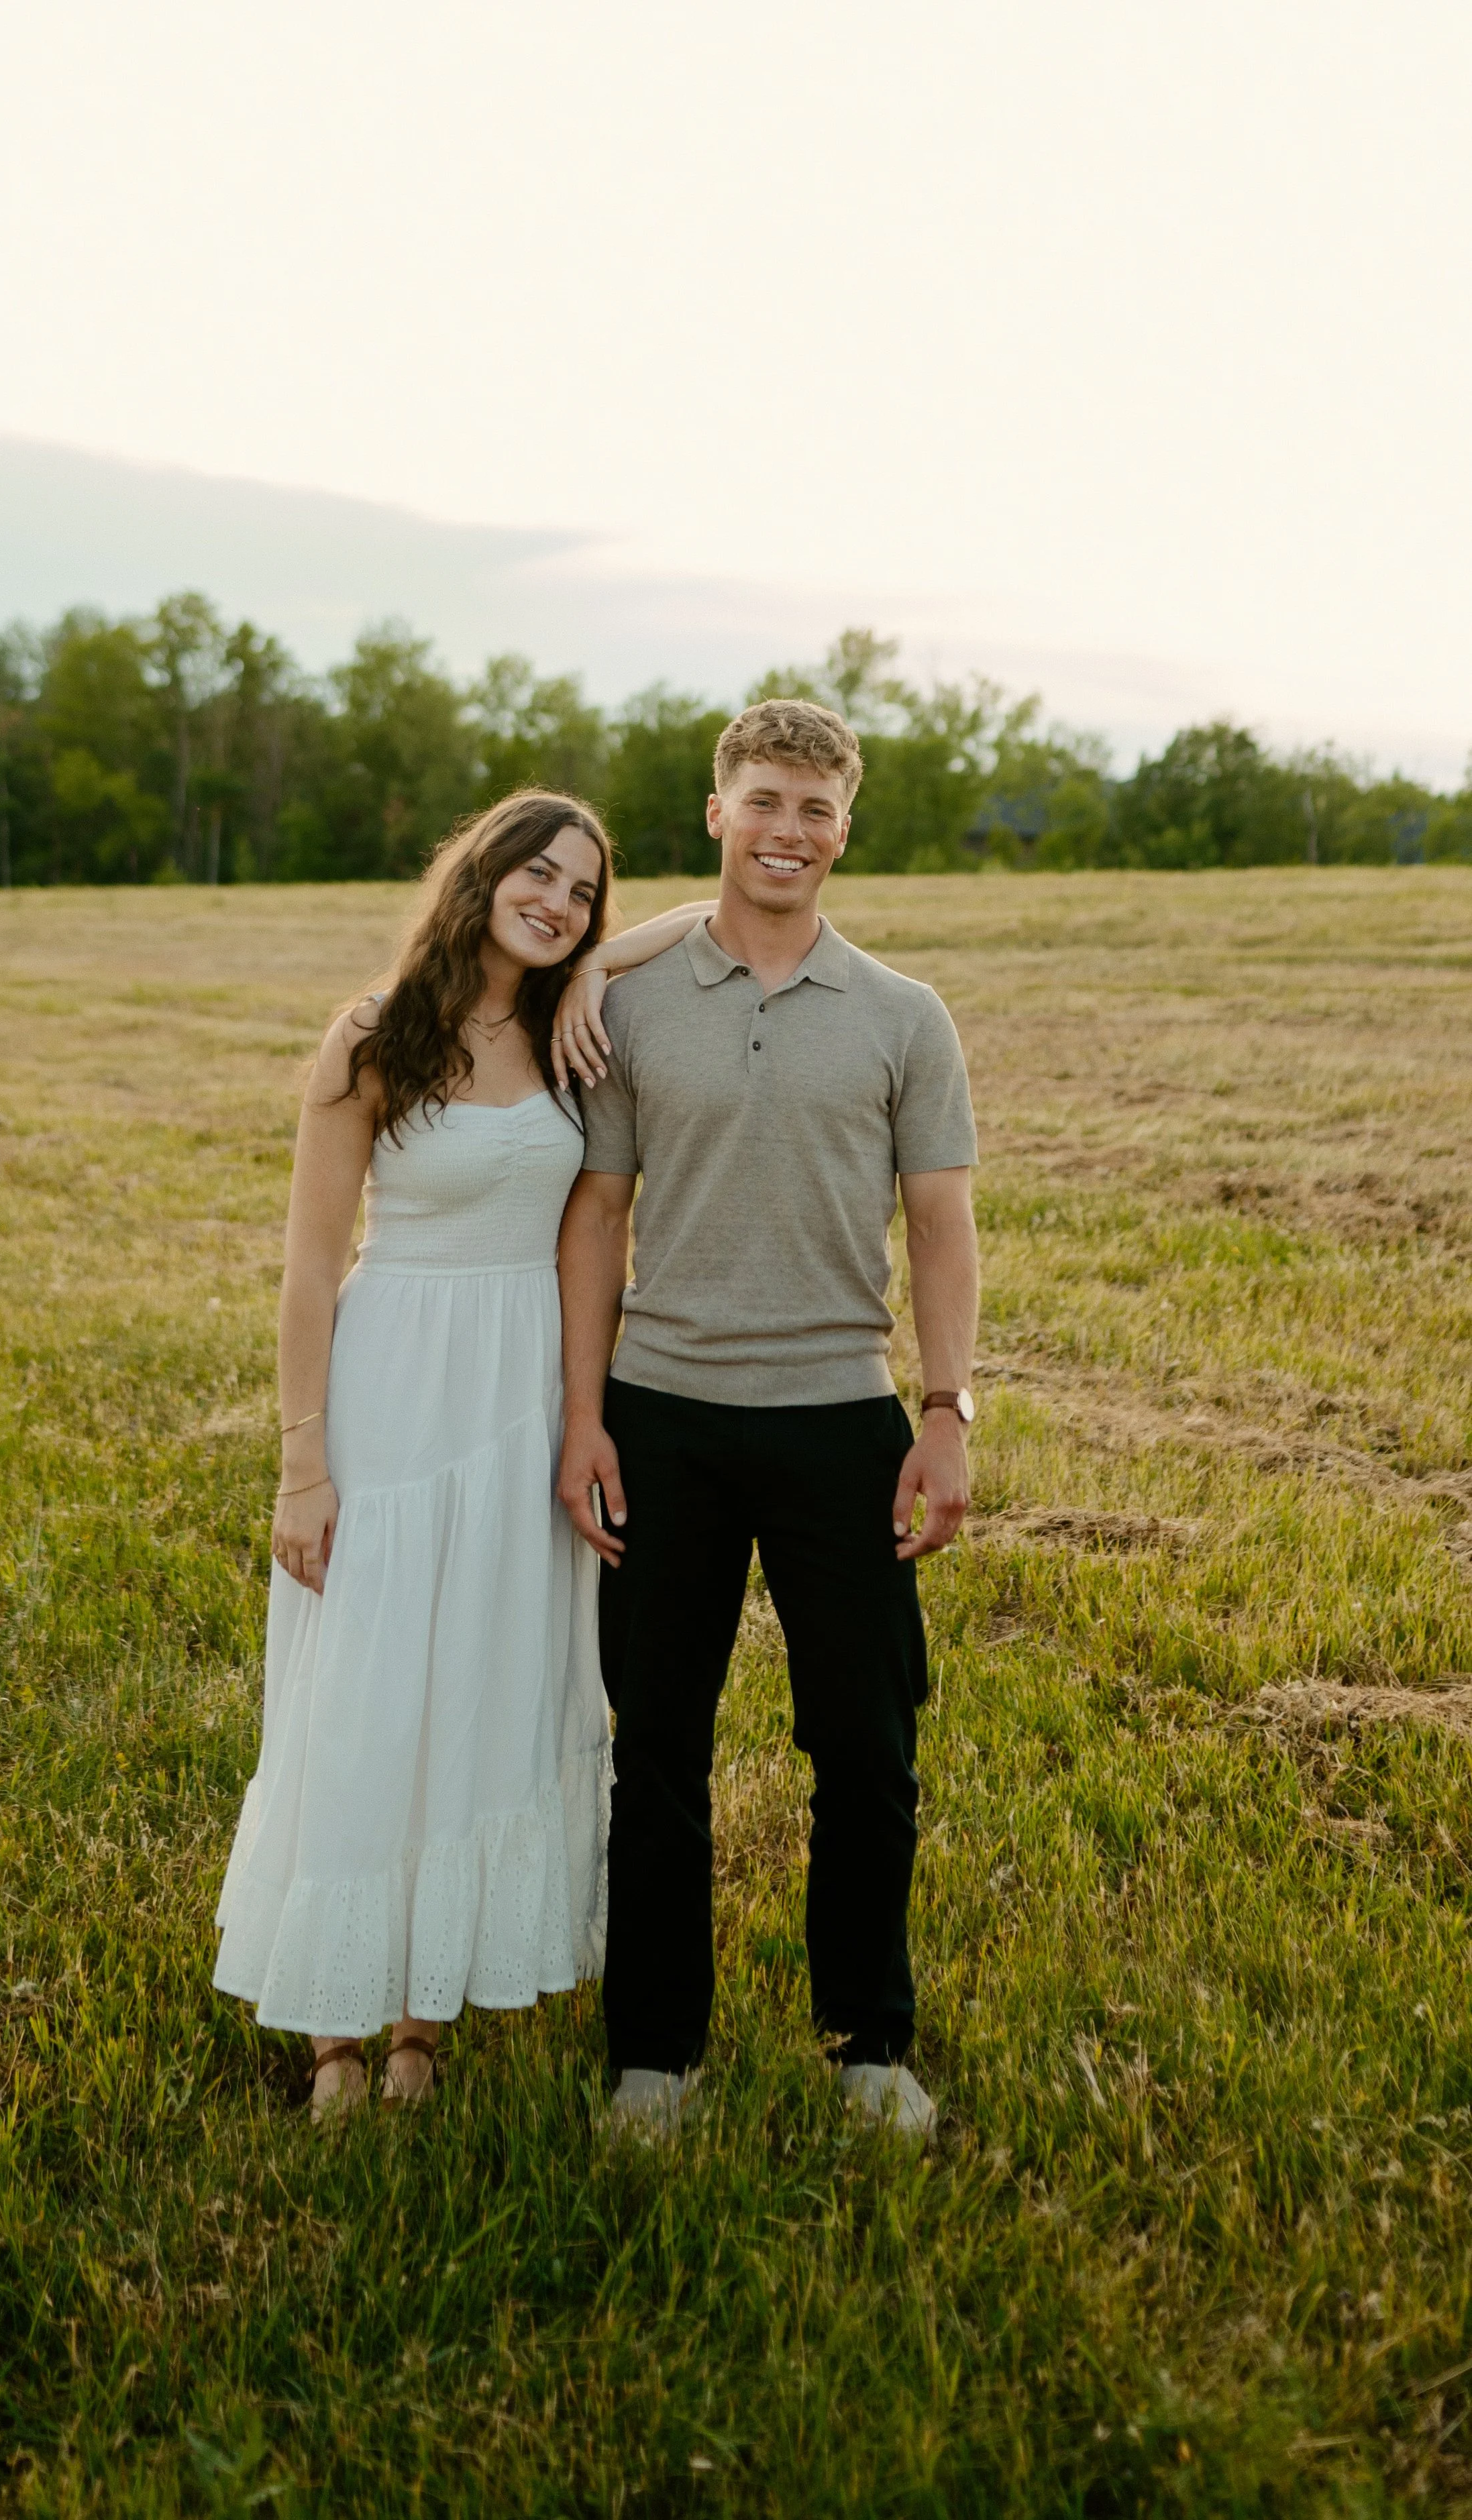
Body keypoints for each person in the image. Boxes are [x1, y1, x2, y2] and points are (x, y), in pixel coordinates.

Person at [213, 791, 713, 2118]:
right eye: (536, 875)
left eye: (582, 892)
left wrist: (598, 963)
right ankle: (334, 2031)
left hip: (524, 1391)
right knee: (368, 1683)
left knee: (489, 1678)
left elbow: (700, 918)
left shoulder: (568, 1028)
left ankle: (421, 2022)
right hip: (392, 1384)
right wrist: (302, 1464)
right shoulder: (374, 1035)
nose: (556, 903)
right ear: (479, 874)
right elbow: (309, 1270)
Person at [556, 700, 980, 2139]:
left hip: (839, 1422)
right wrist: (583, 1416)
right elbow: (596, 1216)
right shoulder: (630, 1005)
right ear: (716, 813)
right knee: (656, 1753)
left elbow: (941, 1226)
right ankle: (653, 2059)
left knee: (866, 1752)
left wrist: (944, 1411)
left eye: (814, 808)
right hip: (660, 1419)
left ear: (843, 830)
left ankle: (868, 2047)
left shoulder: (903, 1015)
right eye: (763, 800)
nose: (786, 831)